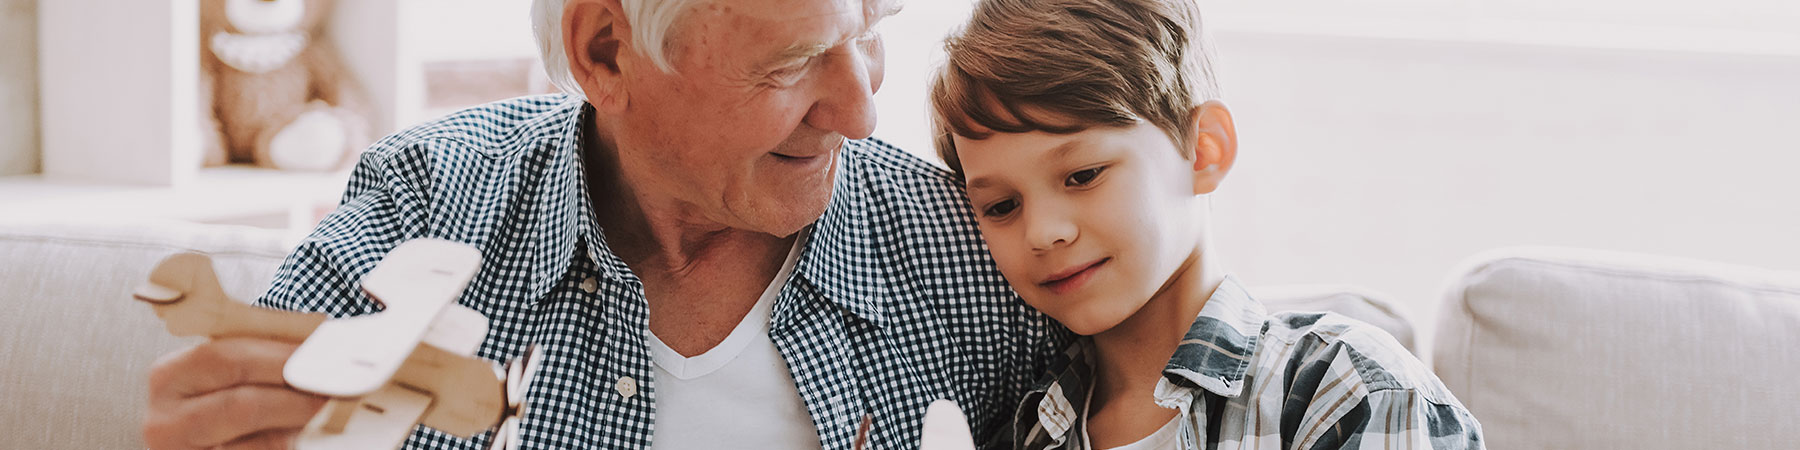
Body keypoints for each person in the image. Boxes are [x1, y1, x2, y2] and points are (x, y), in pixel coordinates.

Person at [139, 0, 1068, 448]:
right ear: (603, 50)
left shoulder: (972, 251)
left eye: (871, 32)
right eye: (794, 62)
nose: (861, 114)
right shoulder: (424, 207)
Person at [926, 0, 1485, 448]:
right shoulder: (1028, 432)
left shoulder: (1343, 388)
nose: (1043, 232)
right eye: (1002, 206)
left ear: (1204, 150)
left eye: (1083, 175)